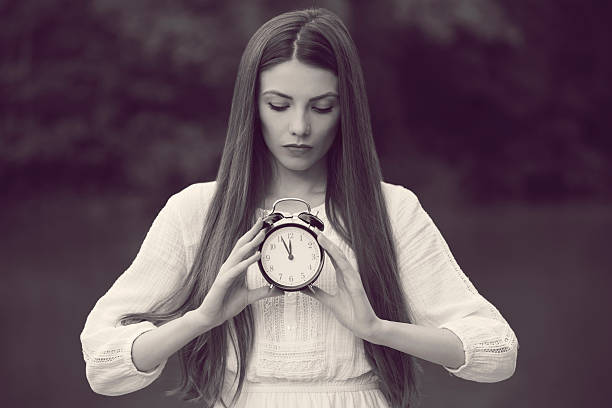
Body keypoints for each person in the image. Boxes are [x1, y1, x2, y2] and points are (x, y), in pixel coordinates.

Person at [80, 7, 518, 408]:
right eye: (278, 105)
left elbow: (496, 353)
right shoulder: (197, 211)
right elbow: (104, 365)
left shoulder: (391, 211)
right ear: (251, 107)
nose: (299, 127)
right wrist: (200, 319)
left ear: (347, 110)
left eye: (322, 107)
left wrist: (377, 329)